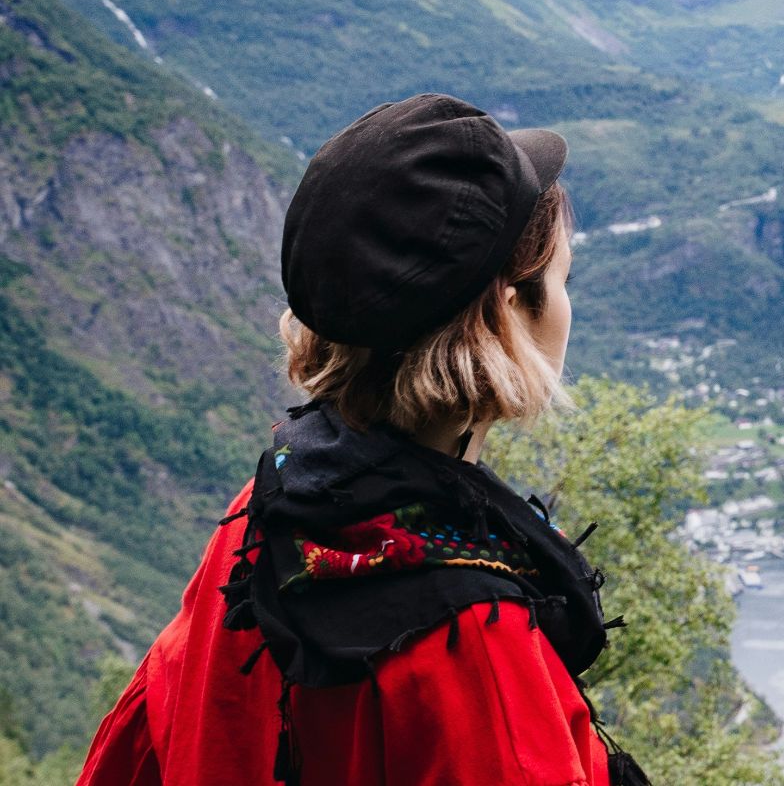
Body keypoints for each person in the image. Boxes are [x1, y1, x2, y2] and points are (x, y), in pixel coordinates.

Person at [76, 94, 646, 786]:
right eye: (560, 282)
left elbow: (145, 746)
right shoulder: (477, 645)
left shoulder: (270, 513)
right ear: (508, 313)